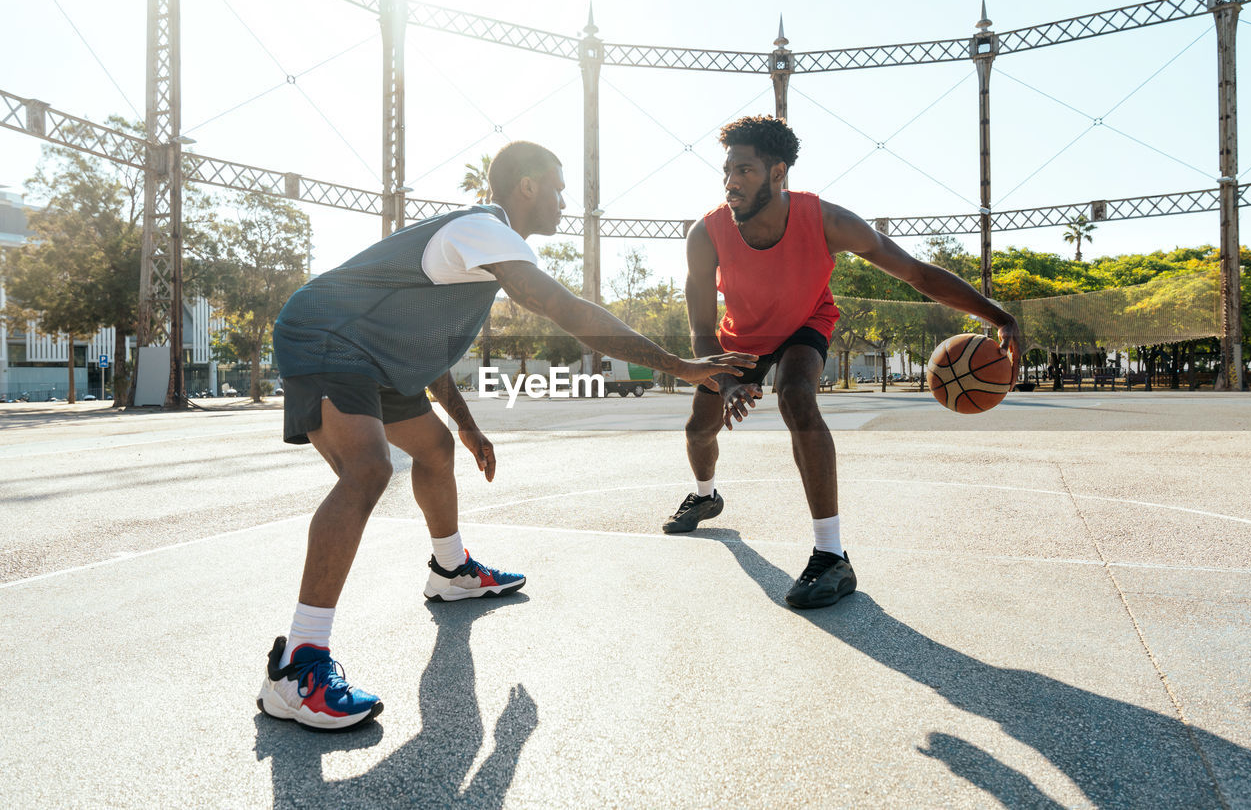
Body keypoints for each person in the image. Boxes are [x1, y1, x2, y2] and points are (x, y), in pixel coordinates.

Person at [259, 140, 756, 730]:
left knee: (435, 449)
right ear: (526, 186)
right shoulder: (488, 229)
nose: (564, 200)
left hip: (375, 355)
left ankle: (451, 572)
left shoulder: (477, 252)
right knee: (367, 470)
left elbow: (425, 348)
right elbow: (564, 309)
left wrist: (466, 427)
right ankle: (296, 667)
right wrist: (684, 367)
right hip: (324, 336)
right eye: (557, 186)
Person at [661, 116, 1023, 609]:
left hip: (805, 323)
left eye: (744, 170)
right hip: (738, 339)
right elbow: (702, 329)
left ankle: (831, 556)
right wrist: (724, 380)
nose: (731, 182)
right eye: (727, 170)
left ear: (777, 173)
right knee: (698, 432)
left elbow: (916, 273)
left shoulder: (826, 221)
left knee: (796, 395)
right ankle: (706, 496)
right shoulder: (706, 234)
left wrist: (999, 316)